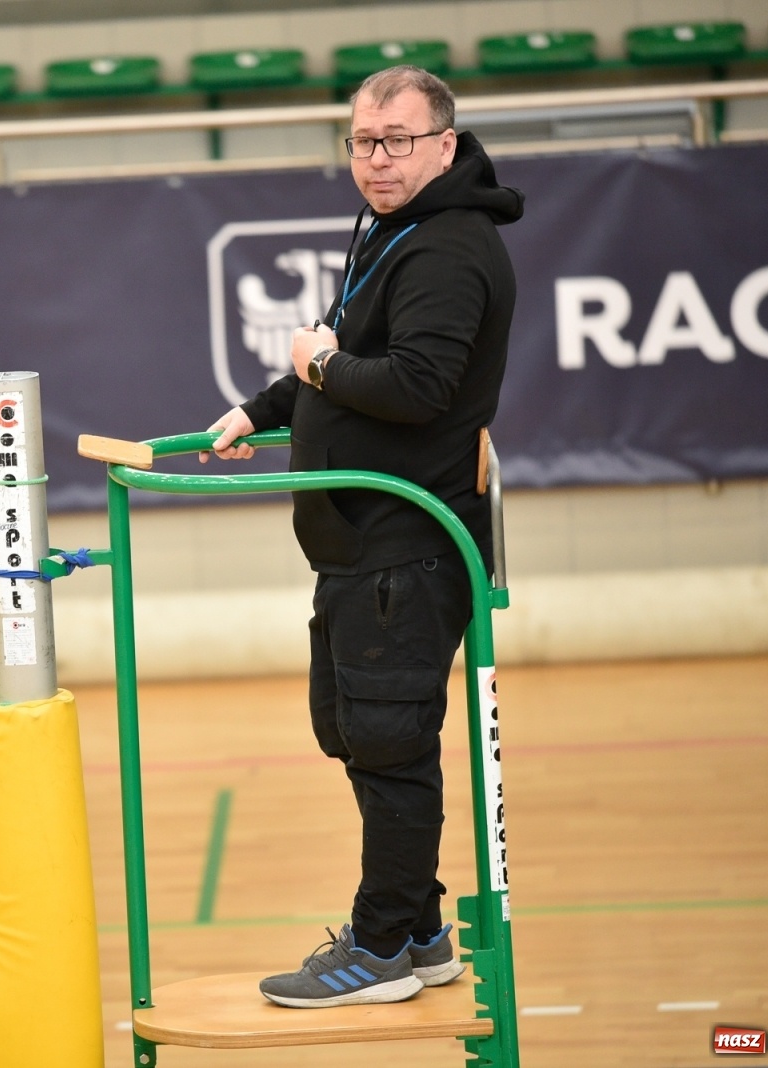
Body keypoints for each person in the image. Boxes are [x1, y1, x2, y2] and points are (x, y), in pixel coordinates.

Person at [201, 65, 523, 1007]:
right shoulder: (397, 228)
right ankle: (419, 929)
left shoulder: (448, 248)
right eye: (363, 142)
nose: (377, 160)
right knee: (353, 730)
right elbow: (343, 352)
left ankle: (379, 948)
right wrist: (260, 407)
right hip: (360, 549)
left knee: (389, 743)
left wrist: (318, 365)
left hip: (406, 548)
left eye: (398, 141)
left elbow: (413, 385)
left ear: (445, 147)